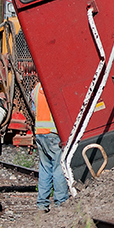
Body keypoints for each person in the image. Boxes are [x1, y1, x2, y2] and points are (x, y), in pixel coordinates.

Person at [32, 81, 69, 212]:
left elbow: (34, 109)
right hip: (54, 133)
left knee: (44, 169)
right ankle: (61, 201)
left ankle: (42, 204)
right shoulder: (53, 86)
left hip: (40, 133)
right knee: (59, 167)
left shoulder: (36, 88)